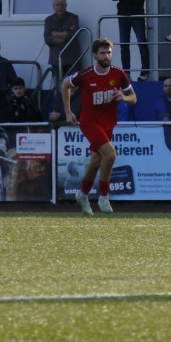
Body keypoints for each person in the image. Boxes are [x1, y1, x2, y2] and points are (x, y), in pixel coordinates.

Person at [61, 37, 136, 215]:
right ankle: (104, 197)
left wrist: (124, 97)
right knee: (110, 155)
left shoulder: (118, 74)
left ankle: (82, 194)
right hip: (89, 122)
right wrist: (68, 111)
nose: (106, 56)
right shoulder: (86, 74)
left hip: (108, 123)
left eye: (109, 52)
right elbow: (65, 85)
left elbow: (133, 98)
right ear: (95, 55)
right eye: (102, 53)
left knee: (96, 161)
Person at [44, 0, 82, 75]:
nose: (60, 7)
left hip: (73, 60)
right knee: (58, 83)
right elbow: (47, 39)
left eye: (62, 5)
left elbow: (73, 36)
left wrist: (55, 34)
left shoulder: (73, 18)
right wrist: (66, 35)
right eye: (57, 5)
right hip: (56, 60)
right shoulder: (48, 20)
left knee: (73, 82)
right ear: (53, 6)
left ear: (66, 5)